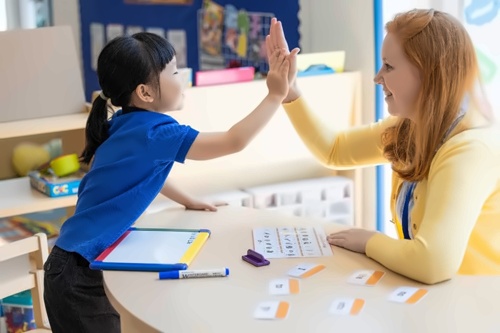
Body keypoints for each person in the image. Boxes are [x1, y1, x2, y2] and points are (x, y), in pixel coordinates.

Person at [43, 30, 293, 332]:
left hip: (72, 264)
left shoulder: (122, 123)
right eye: (174, 71)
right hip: (78, 277)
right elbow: (234, 141)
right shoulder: (157, 133)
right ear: (145, 93)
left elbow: (142, 174)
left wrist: (188, 200)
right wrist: (275, 95)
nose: (182, 77)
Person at [268, 9, 500, 284]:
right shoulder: (412, 126)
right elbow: (334, 149)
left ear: (429, 73)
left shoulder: (471, 150)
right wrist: (289, 88)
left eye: (388, 66)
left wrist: (369, 241)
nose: (377, 77)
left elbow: (433, 263)